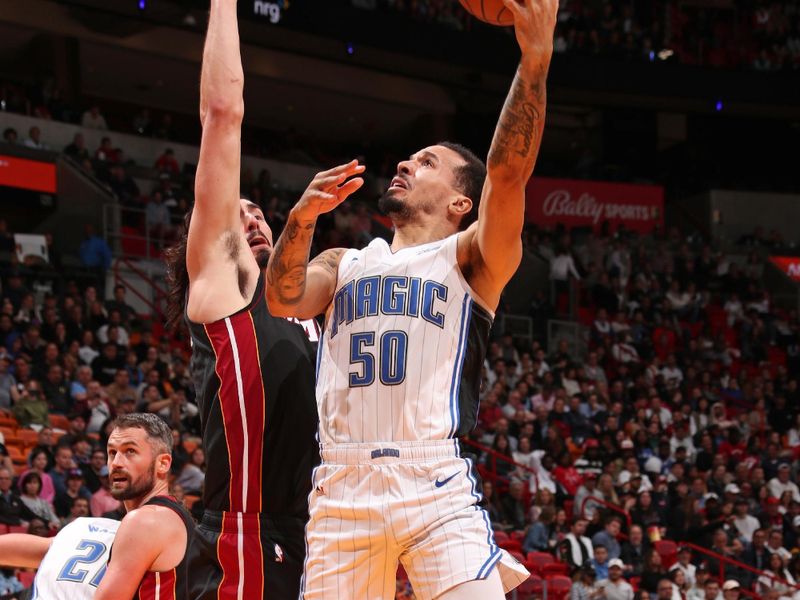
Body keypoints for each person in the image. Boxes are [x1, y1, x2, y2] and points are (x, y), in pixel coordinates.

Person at [265, 0, 557, 597]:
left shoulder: (473, 258)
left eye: (427, 163)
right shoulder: (344, 263)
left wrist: (534, 62)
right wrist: (301, 217)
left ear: (460, 203)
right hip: (342, 482)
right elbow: (283, 298)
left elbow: (507, 175)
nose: (404, 162)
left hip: (433, 477)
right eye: (410, 156)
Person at [163, 1, 321, 597]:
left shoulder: (305, 308)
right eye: (239, 214)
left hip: (325, 531)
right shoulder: (223, 288)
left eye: (262, 213)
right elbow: (223, 115)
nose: (254, 220)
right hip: (250, 536)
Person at [0, 413, 193, 599]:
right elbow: (50, 550)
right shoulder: (116, 526)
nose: (116, 463)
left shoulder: (149, 520)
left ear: (163, 463)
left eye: (130, 451)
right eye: (112, 452)